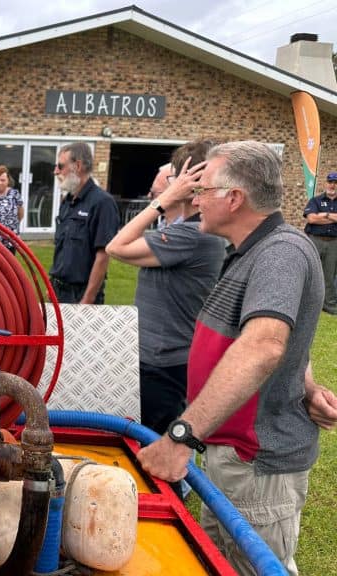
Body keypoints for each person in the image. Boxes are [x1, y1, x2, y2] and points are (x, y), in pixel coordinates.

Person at [136, 141, 337, 575]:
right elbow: (287, 337)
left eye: (203, 190)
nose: (195, 200)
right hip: (230, 457)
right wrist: (307, 387)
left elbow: (264, 345)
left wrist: (180, 438)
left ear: (234, 198)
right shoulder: (249, 251)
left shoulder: (281, 252)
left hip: (255, 464)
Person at [106, 140, 226, 436]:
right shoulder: (184, 230)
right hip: (156, 358)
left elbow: (116, 247)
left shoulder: (194, 236)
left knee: (155, 446)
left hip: (164, 365)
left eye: (174, 177)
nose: (168, 185)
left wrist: (163, 200)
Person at [49, 142, 119, 304]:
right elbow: (61, 247)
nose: (56, 171)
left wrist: (88, 298)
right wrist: (52, 285)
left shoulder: (102, 203)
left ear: (78, 166)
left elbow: (103, 255)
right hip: (58, 289)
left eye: (61, 166)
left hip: (81, 293)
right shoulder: (67, 201)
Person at [303, 171, 337, 314]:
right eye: (330, 182)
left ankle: (329, 306)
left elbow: (316, 218)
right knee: (311, 272)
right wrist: (333, 218)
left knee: (329, 275)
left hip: (333, 243)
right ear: (325, 183)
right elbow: (311, 219)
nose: (332, 185)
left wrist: (324, 215)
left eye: (335, 183)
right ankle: (308, 304)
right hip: (315, 240)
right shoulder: (315, 201)